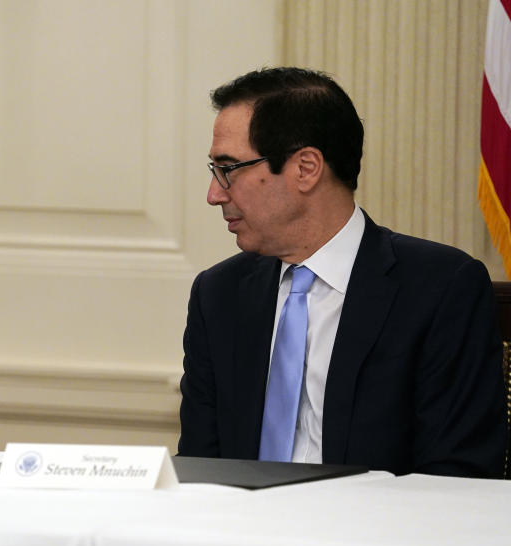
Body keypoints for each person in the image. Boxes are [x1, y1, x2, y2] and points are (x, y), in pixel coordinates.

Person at [178, 67, 505, 478]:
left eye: (229, 169)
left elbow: (458, 477)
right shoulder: (219, 294)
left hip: (376, 536)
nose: (214, 194)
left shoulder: (440, 290)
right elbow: (200, 468)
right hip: (238, 535)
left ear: (306, 168)